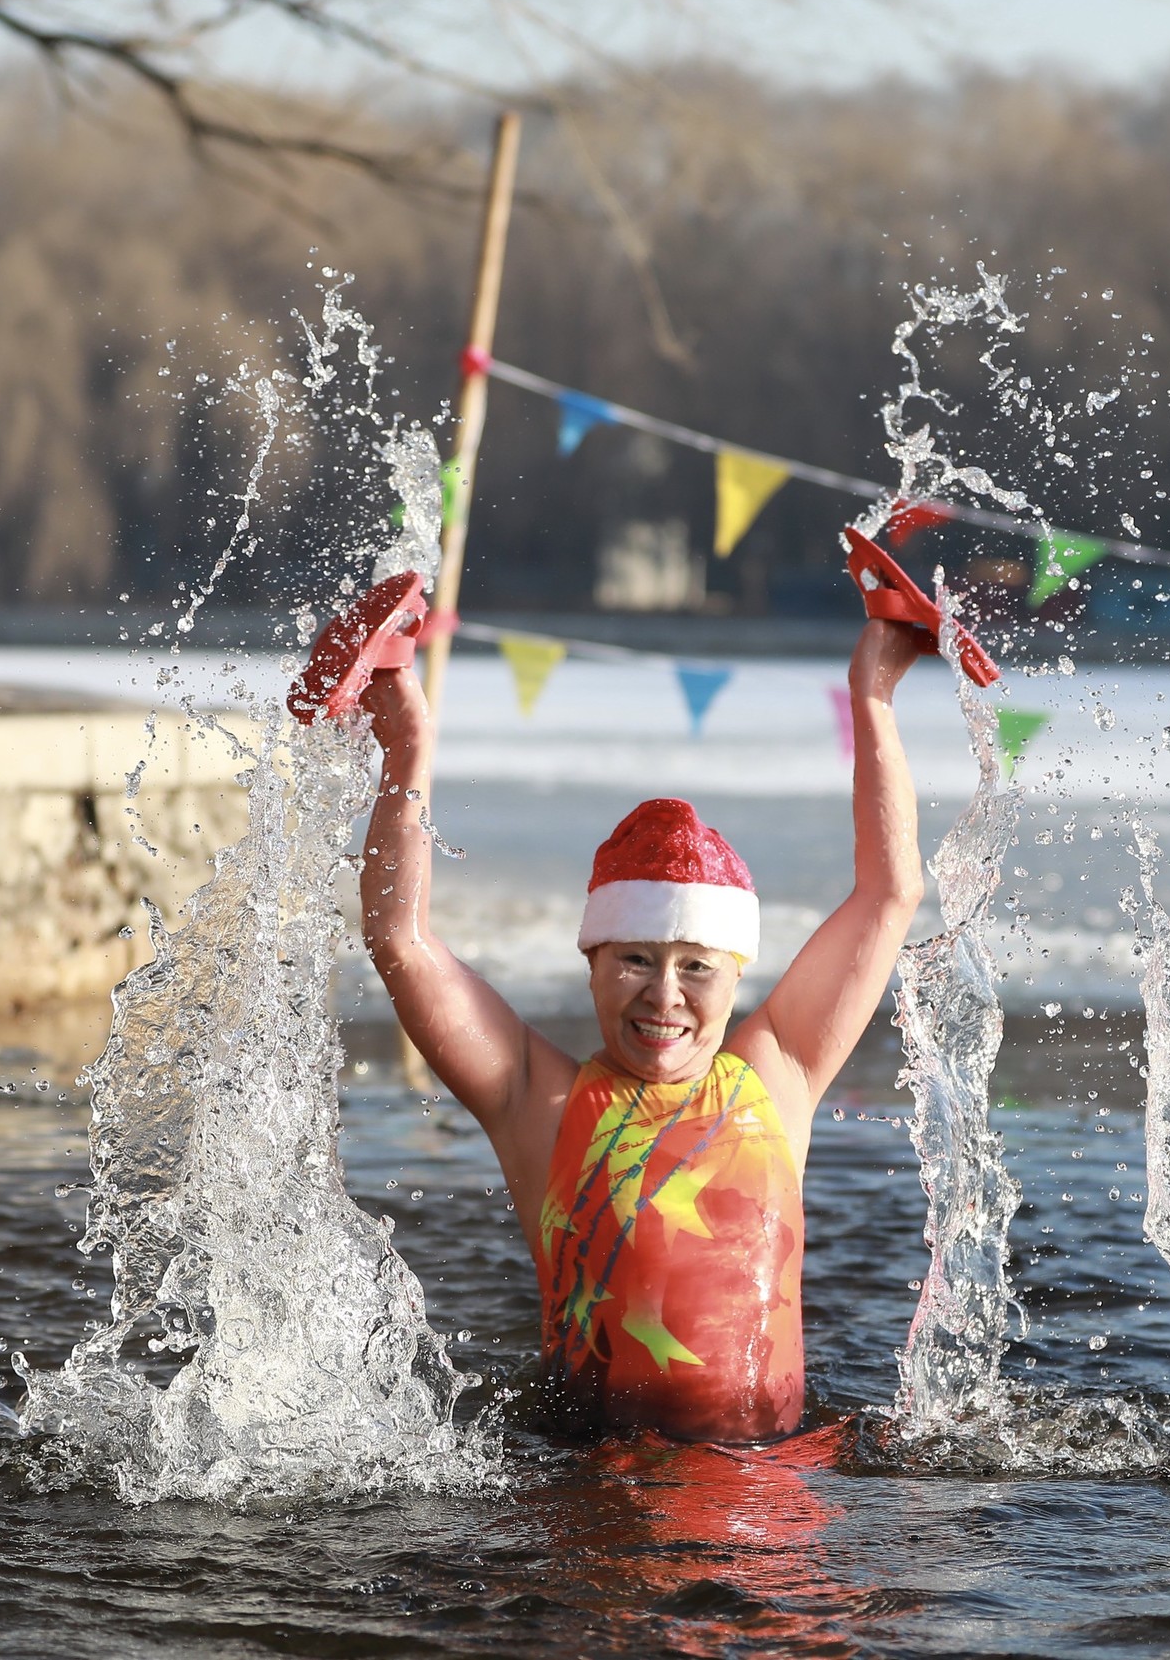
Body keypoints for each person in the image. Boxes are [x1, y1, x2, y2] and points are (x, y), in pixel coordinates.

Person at [359, 618, 926, 1444]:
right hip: (598, 1486)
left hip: (770, 1487)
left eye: (696, 966)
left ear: (737, 975)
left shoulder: (778, 1072)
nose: (664, 995)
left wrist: (873, 686)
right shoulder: (540, 1101)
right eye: (634, 959)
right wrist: (407, 741)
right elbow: (399, 943)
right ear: (590, 961)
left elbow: (888, 894)